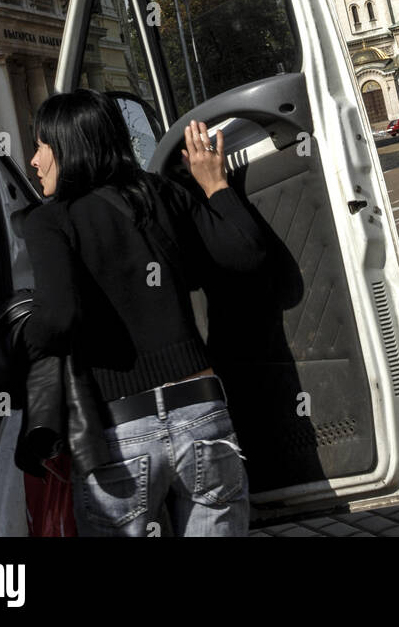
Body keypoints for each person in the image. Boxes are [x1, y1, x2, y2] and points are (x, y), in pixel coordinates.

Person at [19, 87, 265, 537]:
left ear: (68, 147)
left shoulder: (49, 221)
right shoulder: (163, 195)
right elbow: (246, 256)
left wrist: (23, 341)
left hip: (119, 432)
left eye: (40, 146)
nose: (33, 161)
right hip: (202, 416)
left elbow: (58, 319)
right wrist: (214, 185)